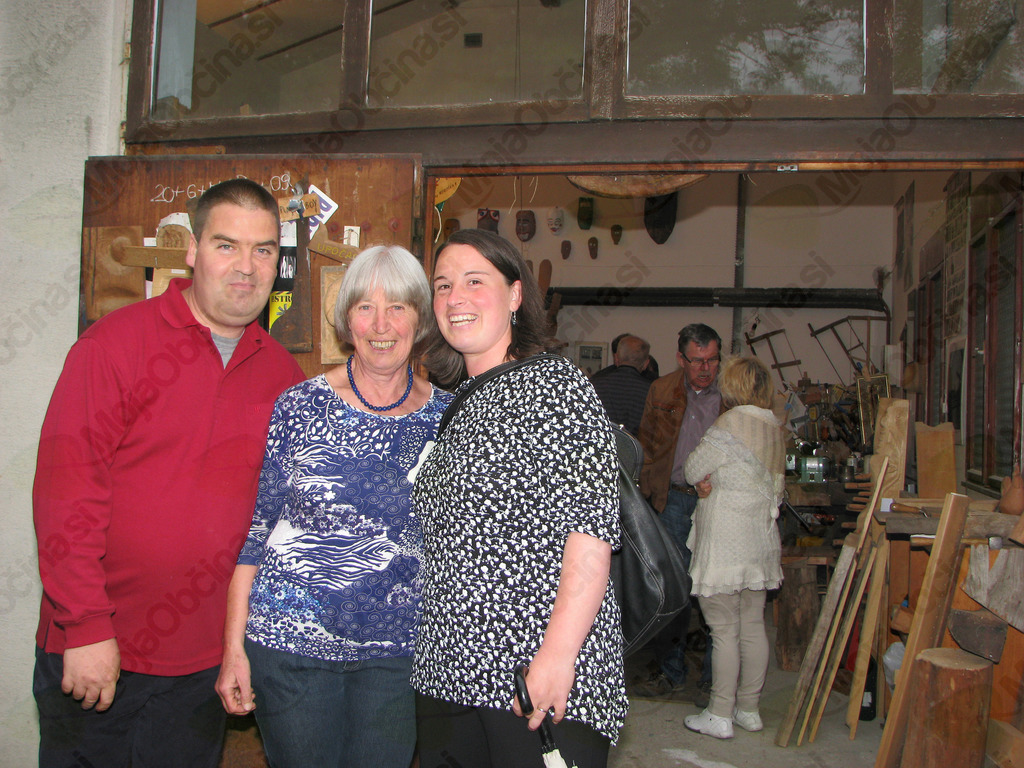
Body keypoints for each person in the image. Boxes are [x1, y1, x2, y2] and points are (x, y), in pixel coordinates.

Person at [32, 178, 306, 768]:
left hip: (202, 666)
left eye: (263, 250)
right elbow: (66, 493)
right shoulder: (115, 345)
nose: (246, 266)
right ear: (192, 250)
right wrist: (84, 626)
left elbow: (281, 525)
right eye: (226, 245)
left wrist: (243, 645)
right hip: (102, 650)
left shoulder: (283, 376)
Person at [215, 245, 453, 767]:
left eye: (397, 307)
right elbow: (256, 533)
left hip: (397, 657)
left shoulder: (447, 418)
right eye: (365, 307)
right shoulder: (299, 406)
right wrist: (233, 649)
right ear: (347, 320)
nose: (381, 324)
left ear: (420, 319)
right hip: (290, 648)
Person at [411, 229, 628, 768]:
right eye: (443, 285)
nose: (455, 298)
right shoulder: (457, 403)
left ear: (514, 295)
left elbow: (591, 534)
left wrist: (556, 657)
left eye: (474, 281)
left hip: (531, 678)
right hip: (449, 673)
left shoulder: (555, 387)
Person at [682, 356, 784, 739]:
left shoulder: (730, 423)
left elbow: (692, 469)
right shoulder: (774, 427)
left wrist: (705, 481)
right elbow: (776, 488)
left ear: (732, 386)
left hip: (726, 542)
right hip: (760, 541)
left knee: (723, 630)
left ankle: (720, 713)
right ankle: (749, 709)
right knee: (754, 627)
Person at [634, 323, 724, 702]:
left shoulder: (731, 395)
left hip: (716, 503)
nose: (705, 369)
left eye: (712, 360)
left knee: (715, 589)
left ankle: (713, 679)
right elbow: (647, 445)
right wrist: (646, 495)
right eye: (697, 361)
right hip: (671, 501)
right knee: (672, 591)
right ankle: (671, 672)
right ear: (681, 359)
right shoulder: (661, 390)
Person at [591, 334, 653, 436]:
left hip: (601, 442)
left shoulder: (595, 385)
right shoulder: (652, 391)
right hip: (636, 445)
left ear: (616, 358)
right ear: (646, 364)